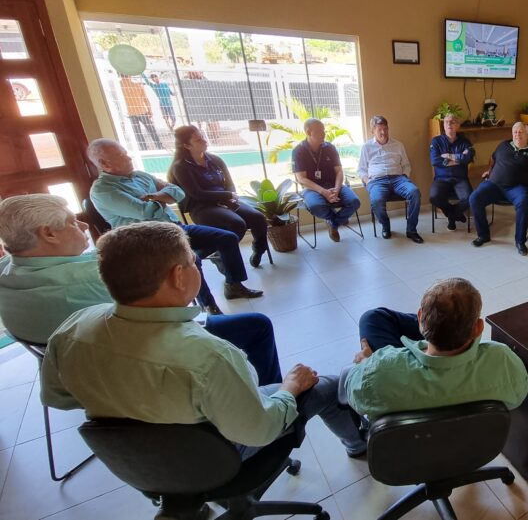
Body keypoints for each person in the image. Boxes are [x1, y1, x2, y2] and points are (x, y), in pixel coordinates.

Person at [40, 222, 367, 462]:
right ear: (178, 276)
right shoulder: (209, 356)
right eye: (193, 261)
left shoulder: (72, 328)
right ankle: (360, 445)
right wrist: (289, 388)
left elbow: (59, 398)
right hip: (212, 458)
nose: (197, 266)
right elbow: (260, 431)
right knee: (326, 386)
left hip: (138, 461)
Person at [0, 194, 282, 385]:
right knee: (257, 325)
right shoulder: (93, 277)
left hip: (66, 370)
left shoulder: (6, 269)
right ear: (48, 234)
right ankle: (269, 396)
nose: (84, 225)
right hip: (133, 362)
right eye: (73, 222)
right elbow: (171, 303)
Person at [87, 138, 263, 301]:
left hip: (175, 228)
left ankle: (233, 286)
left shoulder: (140, 175)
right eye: (122, 155)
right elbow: (145, 212)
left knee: (227, 238)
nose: (129, 157)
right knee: (192, 259)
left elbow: (178, 192)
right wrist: (163, 197)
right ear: (104, 163)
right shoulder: (103, 190)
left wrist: (155, 197)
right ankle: (209, 305)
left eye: (126, 153)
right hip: (147, 239)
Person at [342, 278, 528, 420]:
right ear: (478, 328)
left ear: (419, 318)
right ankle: (449, 323)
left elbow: (353, 396)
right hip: (468, 447)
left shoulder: (378, 371)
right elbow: (518, 397)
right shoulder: (503, 360)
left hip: (410, 445)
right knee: (374, 317)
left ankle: (438, 323)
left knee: (372, 318)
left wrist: (364, 363)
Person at [170, 125, 269, 268]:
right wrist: (227, 195)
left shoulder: (215, 160)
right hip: (202, 207)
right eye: (198, 140)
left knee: (258, 217)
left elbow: (229, 183)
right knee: (236, 224)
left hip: (225, 202)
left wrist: (230, 195)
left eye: (203, 137)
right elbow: (197, 194)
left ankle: (259, 249)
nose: (204, 141)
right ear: (187, 146)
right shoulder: (180, 167)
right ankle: (218, 253)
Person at [468, 122, 528, 256]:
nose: (517, 134)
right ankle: (483, 235)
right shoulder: (504, 145)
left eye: (521, 131)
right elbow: (492, 158)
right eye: (515, 132)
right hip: (494, 185)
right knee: (474, 198)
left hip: (517, 188)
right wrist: (489, 170)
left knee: (524, 202)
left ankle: (520, 242)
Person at [357, 115, 423, 243]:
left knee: (415, 192)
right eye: (379, 129)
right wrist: (367, 181)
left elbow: (406, 165)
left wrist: (405, 176)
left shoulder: (398, 145)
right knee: (376, 201)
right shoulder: (366, 147)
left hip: (398, 179)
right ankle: (385, 226)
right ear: (373, 131)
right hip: (377, 181)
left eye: (385, 129)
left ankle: (411, 230)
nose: (383, 132)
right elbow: (361, 169)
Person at [294, 118, 361, 243]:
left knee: (354, 202)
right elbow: (301, 179)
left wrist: (337, 189)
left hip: (334, 185)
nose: (324, 134)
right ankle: (337, 219)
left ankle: (333, 224)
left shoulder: (330, 147)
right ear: (308, 132)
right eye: (320, 131)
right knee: (315, 206)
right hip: (312, 189)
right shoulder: (299, 151)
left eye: (324, 130)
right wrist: (323, 192)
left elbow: (339, 171)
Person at [429, 113, 475, 230]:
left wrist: (448, 156)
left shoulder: (465, 142)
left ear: (458, 125)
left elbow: (469, 158)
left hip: (460, 179)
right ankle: (454, 214)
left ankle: (452, 216)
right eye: (446, 122)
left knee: (470, 198)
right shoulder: (436, 141)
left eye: (452, 122)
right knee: (434, 197)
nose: (449, 124)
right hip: (441, 179)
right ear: (443, 125)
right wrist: (459, 159)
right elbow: (435, 160)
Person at [118, 73, 160, 150]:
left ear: (121, 76)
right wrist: (150, 110)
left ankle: (144, 148)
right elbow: (145, 99)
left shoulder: (119, 86)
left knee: (137, 133)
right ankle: (159, 146)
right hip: (141, 111)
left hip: (130, 113)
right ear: (130, 75)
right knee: (151, 129)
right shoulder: (138, 85)